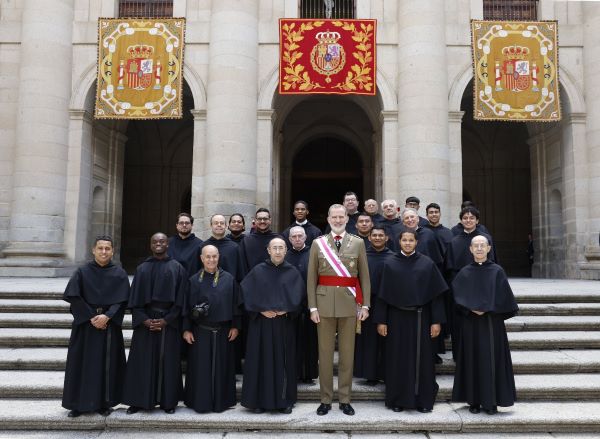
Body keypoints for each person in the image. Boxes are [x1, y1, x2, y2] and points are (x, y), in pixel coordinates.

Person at [307, 204, 371, 416]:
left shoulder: (358, 243)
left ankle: (345, 398)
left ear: (346, 218)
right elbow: (311, 279)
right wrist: (312, 307)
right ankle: (325, 399)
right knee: (324, 355)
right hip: (323, 305)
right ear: (328, 218)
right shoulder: (318, 244)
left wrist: (365, 305)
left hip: (349, 305)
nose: (337, 220)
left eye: (341, 216)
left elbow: (364, 278)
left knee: (347, 355)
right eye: (333, 217)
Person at [375, 229, 447, 413]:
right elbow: (382, 295)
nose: (407, 243)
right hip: (396, 319)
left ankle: (423, 400)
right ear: (399, 242)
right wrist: (381, 320)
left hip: (421, 318)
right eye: (404, 240)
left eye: (411, 240)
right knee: (397, 359)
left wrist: (436, 321)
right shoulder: (389, 264)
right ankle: (397, 399)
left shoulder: (427, 264)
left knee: (422, 360)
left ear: (416, 242)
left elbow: (436, 296)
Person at [62, 235, 130, 418]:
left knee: (106, 366)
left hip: (108, 327)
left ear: (113, 251)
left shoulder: (119, 273)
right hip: (85, 326)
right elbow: (74, 297)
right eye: (100, 248)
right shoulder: (82, 272)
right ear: (93, 250)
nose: (104, 252)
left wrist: (107, 316)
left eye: (107, 248)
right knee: (81, 364)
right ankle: (77, 404)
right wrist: (92, 317)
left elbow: (123, 300)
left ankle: (103, 403)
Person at [451, 235, 518, 415]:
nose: (479, 248)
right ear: (471, 249)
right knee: (472, 360)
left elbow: (506, 298)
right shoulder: (464, 272)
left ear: (489, 249)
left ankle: (492, 402)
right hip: (471, 323)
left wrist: (489, 308)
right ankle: (473, 401)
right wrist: (470, 308)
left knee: (491, 360)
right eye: (476, 246)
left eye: (483, 245)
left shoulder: (497, 271)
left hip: (491, 323)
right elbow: (456, 298)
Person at [123, 233, 187, 415]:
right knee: (141, 362)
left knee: (168, 362)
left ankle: (168, 402)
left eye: (162, 241)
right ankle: (138, 401)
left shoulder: (177, 268)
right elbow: (134, 301)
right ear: (151, 245)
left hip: (169, 321)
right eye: (155, 242)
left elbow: (181, 301)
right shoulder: (142, 269)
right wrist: (144, 320)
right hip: (146, 322)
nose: (158, 244)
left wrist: (167, 320)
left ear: (168, 244)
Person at [240, 237, 305, 414]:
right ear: (268, 250)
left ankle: (285, 401)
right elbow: (245, 293)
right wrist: (260, 310)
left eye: (281, 248)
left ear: (286, 251)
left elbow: (300, 298)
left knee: (284, 363)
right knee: (260, 361)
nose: (277, 251)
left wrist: (288, 310)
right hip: (261, 325)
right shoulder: (257, 271)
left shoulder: (292, 272)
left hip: (284, 325)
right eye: (274, 248)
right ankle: (258, 401)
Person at [182, 245, 241, 413]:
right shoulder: (193, 280)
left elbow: (236, 305)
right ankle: (200, 402)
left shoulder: (229, 279)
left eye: (214, 256)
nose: (211, 260)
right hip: (200, 331)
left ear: (218, 257)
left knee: (222, 368)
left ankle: (222, 402)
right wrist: (186, 329)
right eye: (207, 257)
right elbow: (186, 307)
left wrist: (235, 326)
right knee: (200, 370)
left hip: (223, 331)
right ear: (201, 258)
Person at [444, 206, 496, 360]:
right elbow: (449, 268)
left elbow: (492, 264)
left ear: (477, 220)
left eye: (471, 218)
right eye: (465, 218)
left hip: (482, 286)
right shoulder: (454, 241)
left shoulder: (485, 239)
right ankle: (460, 355)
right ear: (461, 220)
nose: (468, 220)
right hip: (461, 288)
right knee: (460, 323)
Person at [354, 225, 392, 384]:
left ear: (386, 238)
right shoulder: (362, 256)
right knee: (368, 340)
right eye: (374, 235)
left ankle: (386, 372)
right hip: (366, 304)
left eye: (380, 235)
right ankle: (370, 374)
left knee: (386, 339)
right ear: (368, 238)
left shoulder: (393, 258)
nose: (377, 238)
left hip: (387, 304)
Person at [284, 226, 318, 384]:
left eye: (300, 236)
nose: (297, 239)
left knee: (310, 342)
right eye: (294, 237)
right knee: (292, 342)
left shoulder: (314, 253)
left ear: (306, 237)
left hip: (311, 306)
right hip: (291, 308)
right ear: (289, 239)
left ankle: (309, 373)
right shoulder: (285, 256)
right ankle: (294, 373)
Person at [238, 208, 280, 276]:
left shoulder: (278, 239)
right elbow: (242, 266)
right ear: (255, 220)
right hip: (252, 280)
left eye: (265, 219)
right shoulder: (246, 241)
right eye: (259, 219)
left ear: (270, 220)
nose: (262, 221)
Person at [199, 214, 242, 280]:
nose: (219, 225)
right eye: (216, 223)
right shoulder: (203, 246)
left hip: (229, 286)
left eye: (222, 223)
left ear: (226, 226)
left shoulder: (234, 247)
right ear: (211, 225)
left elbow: (240, 272)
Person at [168, 213, 203, 278]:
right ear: (177, 225)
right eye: (181, 223)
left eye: (187, 223)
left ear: (192, 225)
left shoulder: (200, 244)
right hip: (171, 283)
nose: (184, 225)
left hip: (190, 284)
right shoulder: (168, 243)